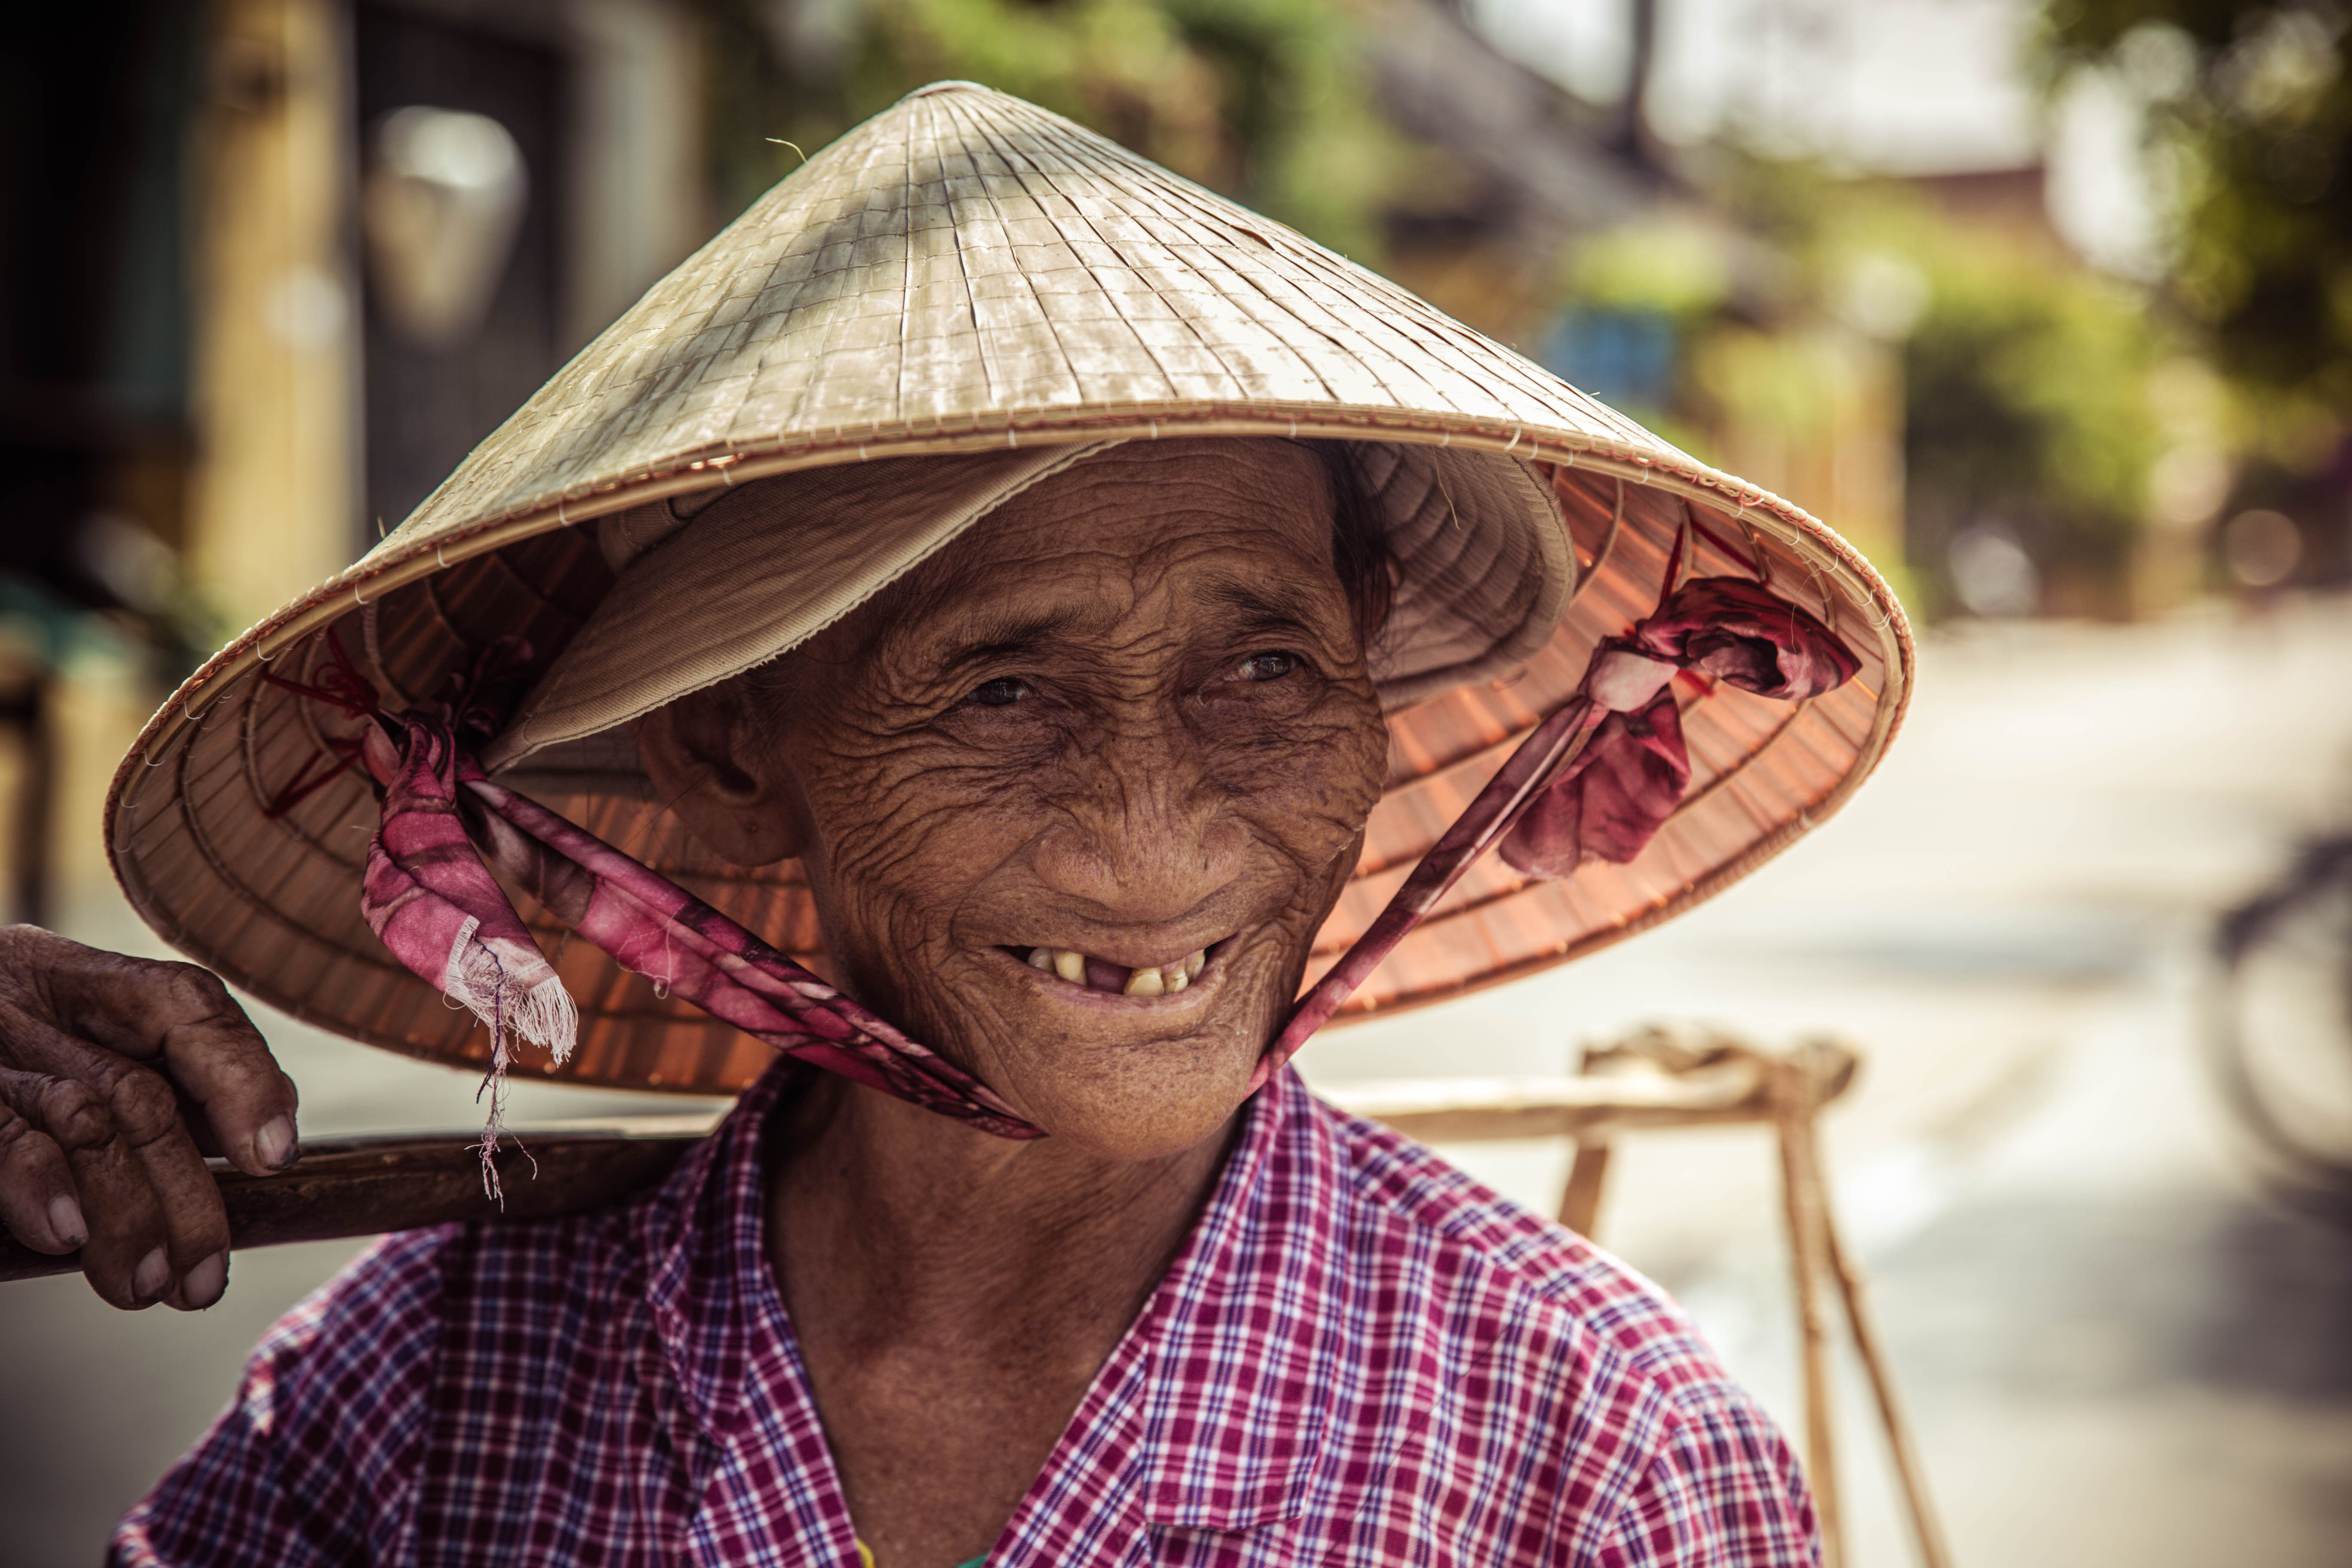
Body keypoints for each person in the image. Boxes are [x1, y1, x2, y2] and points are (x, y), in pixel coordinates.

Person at [3, 85, 1910, 1566]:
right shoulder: (419, 1398)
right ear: (736, 753)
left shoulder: (1600, 1456)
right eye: (1002, 690)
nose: (1154, 837)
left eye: (1262, 671)